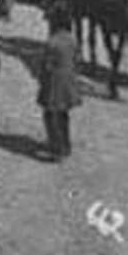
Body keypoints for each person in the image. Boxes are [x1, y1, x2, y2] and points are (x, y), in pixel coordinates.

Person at [37, 9, 81, 162]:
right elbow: (77, 59)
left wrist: (42, 79)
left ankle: (56, 147)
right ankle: (66, 144)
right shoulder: (72, 40)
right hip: (68, 82)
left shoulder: (52, 42)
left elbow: (46, 65)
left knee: (49, 115)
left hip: (54, 82)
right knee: (63, 115)